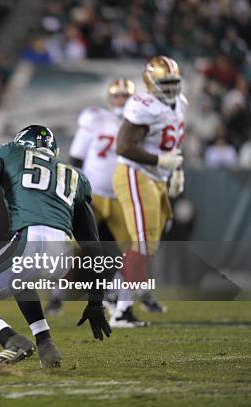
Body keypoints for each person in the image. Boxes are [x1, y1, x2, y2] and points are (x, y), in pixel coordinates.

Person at [0, 125, 111, 374]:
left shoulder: (11, 152)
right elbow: (93, 247)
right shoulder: (74, 175)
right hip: (61, 255)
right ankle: (46, 344)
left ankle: (10, 340)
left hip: (31, 242)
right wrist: (96, 301)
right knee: (21, 282)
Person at [49, 79, 166, 324]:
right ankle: (57, 295)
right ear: (110, 99)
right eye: (118, 97)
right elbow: (77, 157)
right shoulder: (95, 118)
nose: (121, 101)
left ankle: (136, 296)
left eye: (126, 96)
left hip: (123, 196)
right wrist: (74, 192)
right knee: (73, 245)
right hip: (93, 194)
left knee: (135, 248)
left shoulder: (141, 123)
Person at [112, 55, 187, 326]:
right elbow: (122, 147)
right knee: (142, 242)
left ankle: (115, 293)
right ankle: (121, 310)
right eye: (164, 83)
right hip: (136, 173)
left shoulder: (179, 104)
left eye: (173, 82)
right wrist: (159, 162)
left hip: (156, 177)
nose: (170, 88)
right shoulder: (143, 106)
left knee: (149, 244)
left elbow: (173, 143)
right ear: (150, 83)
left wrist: (176, 170)